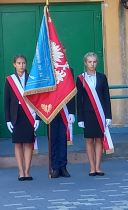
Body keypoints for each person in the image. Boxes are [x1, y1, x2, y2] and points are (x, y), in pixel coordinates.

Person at [5, 54, 40, 181]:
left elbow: (37, 99)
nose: (21, 65)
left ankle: (27, 171)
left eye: (23, 63)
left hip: (30, 114)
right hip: (17, 115)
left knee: (28, 143)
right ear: (14, 64)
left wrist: (37, 118)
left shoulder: (32, 79)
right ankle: (21, 172)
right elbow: (7, 101)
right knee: (18, 144)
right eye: (19, 63)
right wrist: (8, 119)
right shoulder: (10, 80)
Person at [76, 52, 112, 176]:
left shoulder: (102, 77)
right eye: (90, 62)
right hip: (87, 114)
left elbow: (107, 97)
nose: (92, 64)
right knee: (89, 140)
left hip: (100, 113)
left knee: (99, 139)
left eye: (94, 62)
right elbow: (79, 100)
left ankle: (98, 167)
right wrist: (80, 118)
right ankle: (92, 167)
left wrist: (108, 115)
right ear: (85, 63)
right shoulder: (81, 79)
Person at [49, 43, 75, 178]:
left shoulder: (69, 70)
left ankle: (63, 166)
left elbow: (72, 92)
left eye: (64, 54)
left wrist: (71, 112)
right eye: (61, 54)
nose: (62, 57)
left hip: (64, 109)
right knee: (53, 138)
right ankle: (55, 167)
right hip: (52, 109)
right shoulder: (48, 71)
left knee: (63, 138)